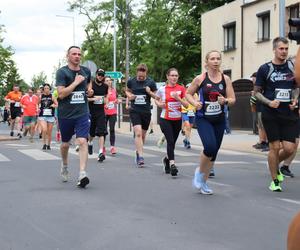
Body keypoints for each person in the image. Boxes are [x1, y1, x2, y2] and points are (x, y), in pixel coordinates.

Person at [186, 50, 236, 194]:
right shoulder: (200, 79)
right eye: (212, 59)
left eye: (218, 58)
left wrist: (225, 100)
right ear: (206, 62)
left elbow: (233, 99)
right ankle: (199, 172)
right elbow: (188, 94)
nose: (215, 61)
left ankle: (204, 184)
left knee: (214, 152)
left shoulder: (225, 79)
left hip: (219, 119)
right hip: (203, 118)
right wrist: (195, 102)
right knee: (209, 147)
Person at [254, 37, 299, 192]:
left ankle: (274, 164)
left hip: (288, 113)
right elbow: (256, 93)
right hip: (270, 113)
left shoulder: (292, 67)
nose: (284, 52)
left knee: (290, 148)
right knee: (275, 147)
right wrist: (269, 102)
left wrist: (295, 99)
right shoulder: (265, 68)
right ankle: (275, 181)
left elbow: (297, 87)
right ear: (274, 49)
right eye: (281, 49)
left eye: (286, 49)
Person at [56, 45, 93, 188]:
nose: (77, 56)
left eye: (79, 54)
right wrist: (76, 83)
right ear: (68, 56)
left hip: (82, 113)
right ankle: (65, 165)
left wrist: (89, 91)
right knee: (65, 144)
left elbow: (88, 84)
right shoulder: (62, 72)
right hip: (66, 114)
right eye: (74, 54)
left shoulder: (86, 71)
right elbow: (61, 94)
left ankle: (82, 173)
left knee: (82, 141)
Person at [155, 68, 188, 176]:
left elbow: (186, 105)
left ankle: (166, 160)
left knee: (172, 143)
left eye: (176, 76)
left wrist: (178, 98)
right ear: (167, 77)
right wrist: (159, 104)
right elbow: (156, 99)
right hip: (165, 119)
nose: (174, 77)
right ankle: (173, 165)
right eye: (172, 75)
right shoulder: (162, 89)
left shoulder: (181, 89)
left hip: (177, 119)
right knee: (170, 141)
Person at [125, 63, 157, 166]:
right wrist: (130, 96)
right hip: (135, 110)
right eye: (139, 76)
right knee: (138, 133)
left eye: (142, 77)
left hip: (146, 111)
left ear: (146, 73)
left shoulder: (151, 82)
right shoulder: (131, 81)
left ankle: (138, 150)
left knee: (142, 135)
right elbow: (127, 91)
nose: (140, 78)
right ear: (137, 73)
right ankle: (141, 156)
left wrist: (149, 92)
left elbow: (157, 96)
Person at [88, 68, 108, 162]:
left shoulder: (105, 86)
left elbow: (106, 97)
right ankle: (90, 142)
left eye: (102, 75)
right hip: (91, 112)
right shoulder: (91, 84)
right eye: (99, 74)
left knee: (101, 132)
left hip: (101, 112)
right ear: (96, 75)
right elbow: (86, 98)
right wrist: (93, 98)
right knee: (92, 133)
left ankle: (100, 152)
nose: (100, 76)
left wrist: (106, 103)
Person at [251, 72, 269, 151]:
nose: (252, 80)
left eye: (253, 78)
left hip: (263, 108)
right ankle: (262, 142)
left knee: (265, 127)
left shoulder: (262, 85)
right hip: (258, 108)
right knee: (260, 126)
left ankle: (267, 143)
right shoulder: (256, 86)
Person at [38, 83, 58, 150]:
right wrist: (37, 108)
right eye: (45, 88)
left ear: (50, 89)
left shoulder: (52, 96)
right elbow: (37, 104)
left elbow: (57, 104)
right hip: (42, 115)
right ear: (43, 89)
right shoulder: (41, 96)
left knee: (49, 132)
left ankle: (48, 145)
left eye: (48, 88)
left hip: (50, 116)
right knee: (44, 129)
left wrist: (54, 105)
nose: (46, 89)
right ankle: (44, 144)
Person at [104, 76, 118, 155]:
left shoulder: (113, 90)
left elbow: (115, 99)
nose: (109, 82)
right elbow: (102, 100)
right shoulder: (102, 90)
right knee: (104, 131)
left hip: (113, 112)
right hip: (104, 112)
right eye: (107, 80)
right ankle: (103, 146)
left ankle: (112, 147)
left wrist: (116, 101)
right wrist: (107, 96)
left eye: (109, 80)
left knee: (112, 129)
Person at [181, 83, 197, 149]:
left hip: (192, 112)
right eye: (188, 87)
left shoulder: (195, 94)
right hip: (185, 111)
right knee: (187, 125)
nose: (190, 89)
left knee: (189, 128)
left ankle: (186, 139)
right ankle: (188, 142)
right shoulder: (184, 94)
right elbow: (181, 101)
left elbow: (197, 102)